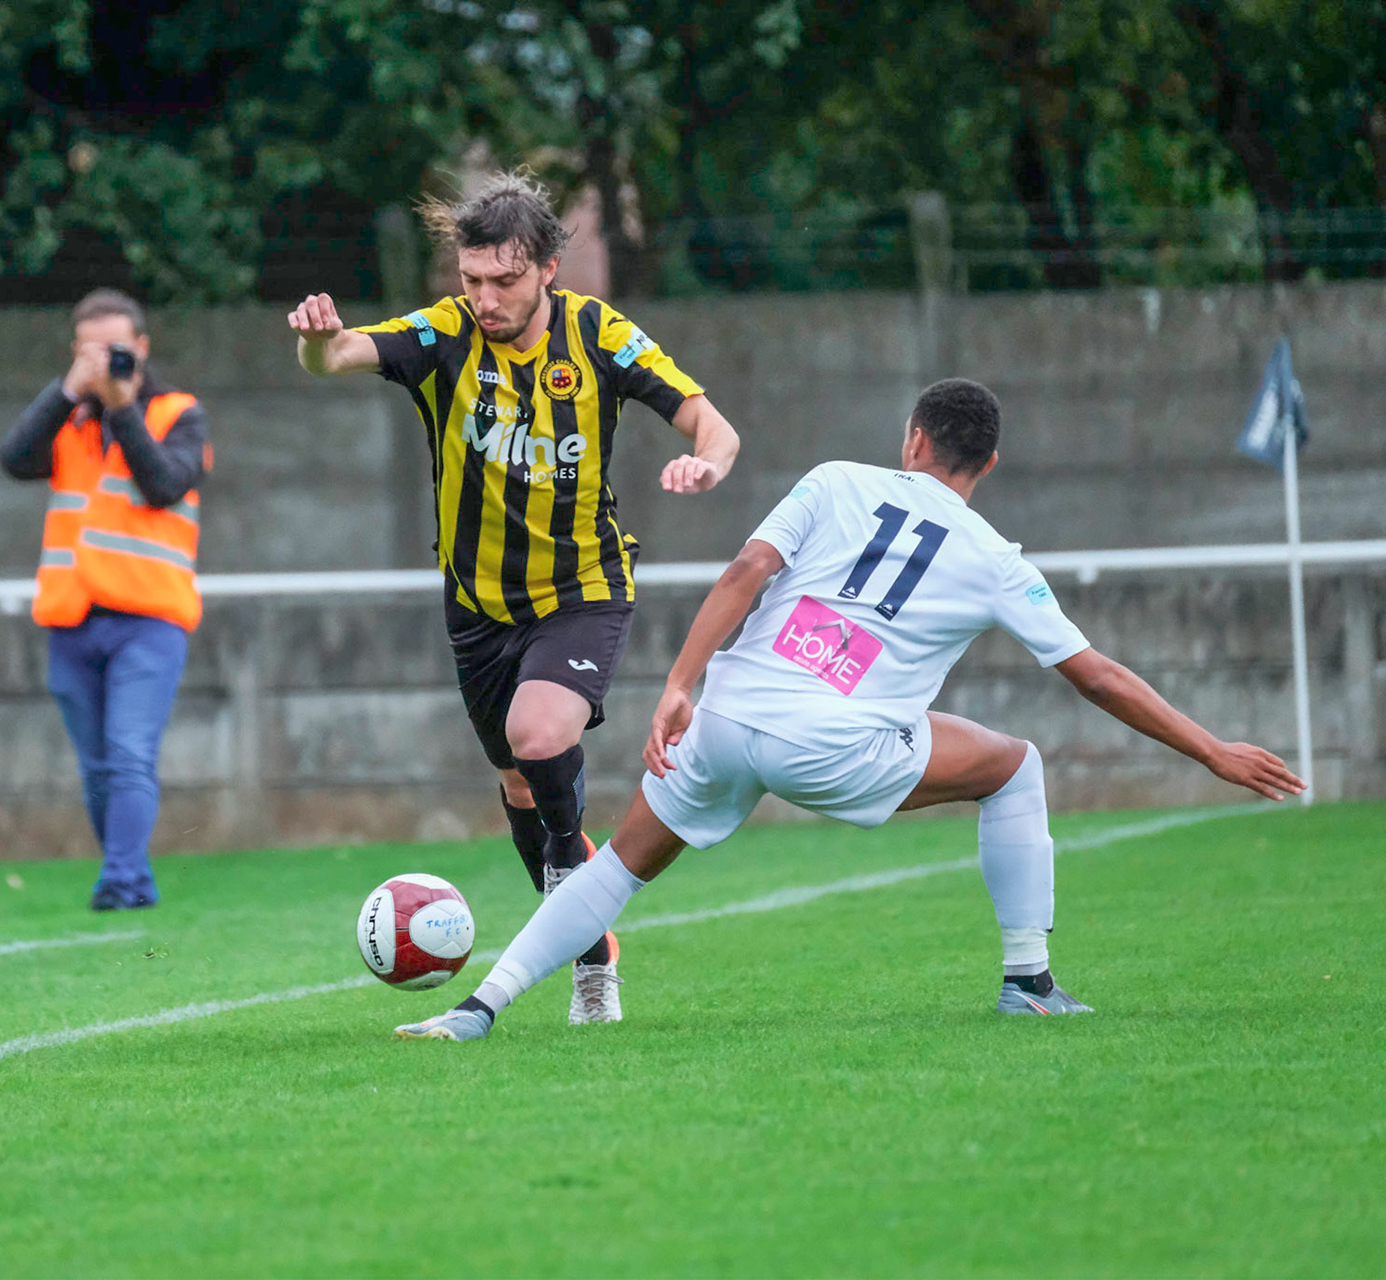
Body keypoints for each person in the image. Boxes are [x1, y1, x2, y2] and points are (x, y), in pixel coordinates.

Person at [397, 378, 1304, 1040]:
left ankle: (482, 1005)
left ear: (912, 438)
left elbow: (747, 572)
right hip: (838, 747)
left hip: (727, 717)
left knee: (620, 867)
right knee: (1014, 763)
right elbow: (1095, 674)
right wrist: (1211, 750)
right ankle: (1029, 981)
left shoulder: (833, 480)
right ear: (985, 464)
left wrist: (678, 684)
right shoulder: (995, 556)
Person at [288, 170, 742, 1026]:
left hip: (582, 588)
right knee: (521, 785)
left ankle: (578, 913)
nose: (485, 298)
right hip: (476, 607)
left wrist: (705, 463)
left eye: (504, 280)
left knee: (540, 735)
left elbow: (712, 425)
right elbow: (341, 355)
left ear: (547, 270)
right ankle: (592, 938)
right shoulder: (445, 335)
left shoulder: (599, 335)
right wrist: (318, 338)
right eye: (471, 280)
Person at [0, 289, 211, 911]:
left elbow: (165, 484)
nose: (107, 360)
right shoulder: (70, 418)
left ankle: (117, 883)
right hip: (72, 616)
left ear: (141, 348)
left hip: (150, 618)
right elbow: (12, 460)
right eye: (92, 350)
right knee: (97, 768)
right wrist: (68, 391)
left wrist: (123, 409)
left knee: (128, 755)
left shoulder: (179, 412)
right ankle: (133, 879)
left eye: (117, 348)